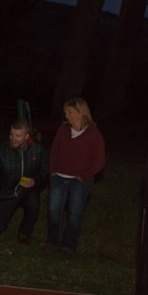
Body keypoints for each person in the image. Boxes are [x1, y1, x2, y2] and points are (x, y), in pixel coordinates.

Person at [46, 97, 106, 252]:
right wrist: (52, 171)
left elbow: (99, 159)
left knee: (74, 214)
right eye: (66, 112)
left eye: (70, 112)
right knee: (54, 211)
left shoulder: (93, 134)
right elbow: (54, 152)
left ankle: (69, 244)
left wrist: (85, 175)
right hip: (58, 177)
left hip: (79, 181)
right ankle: (52, 241)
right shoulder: (63, 130)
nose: (67, 116)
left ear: (80, 113)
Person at [0, 119, 49, 243]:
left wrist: (36, 180)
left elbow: (45, 172)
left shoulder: (38, 150)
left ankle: (24, 232)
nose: (13, 138)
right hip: (8, 190)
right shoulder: (1, 150)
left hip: (28, 189)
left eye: (18, 136)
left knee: (33, 206)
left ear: (27, 136)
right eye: (11, 134)